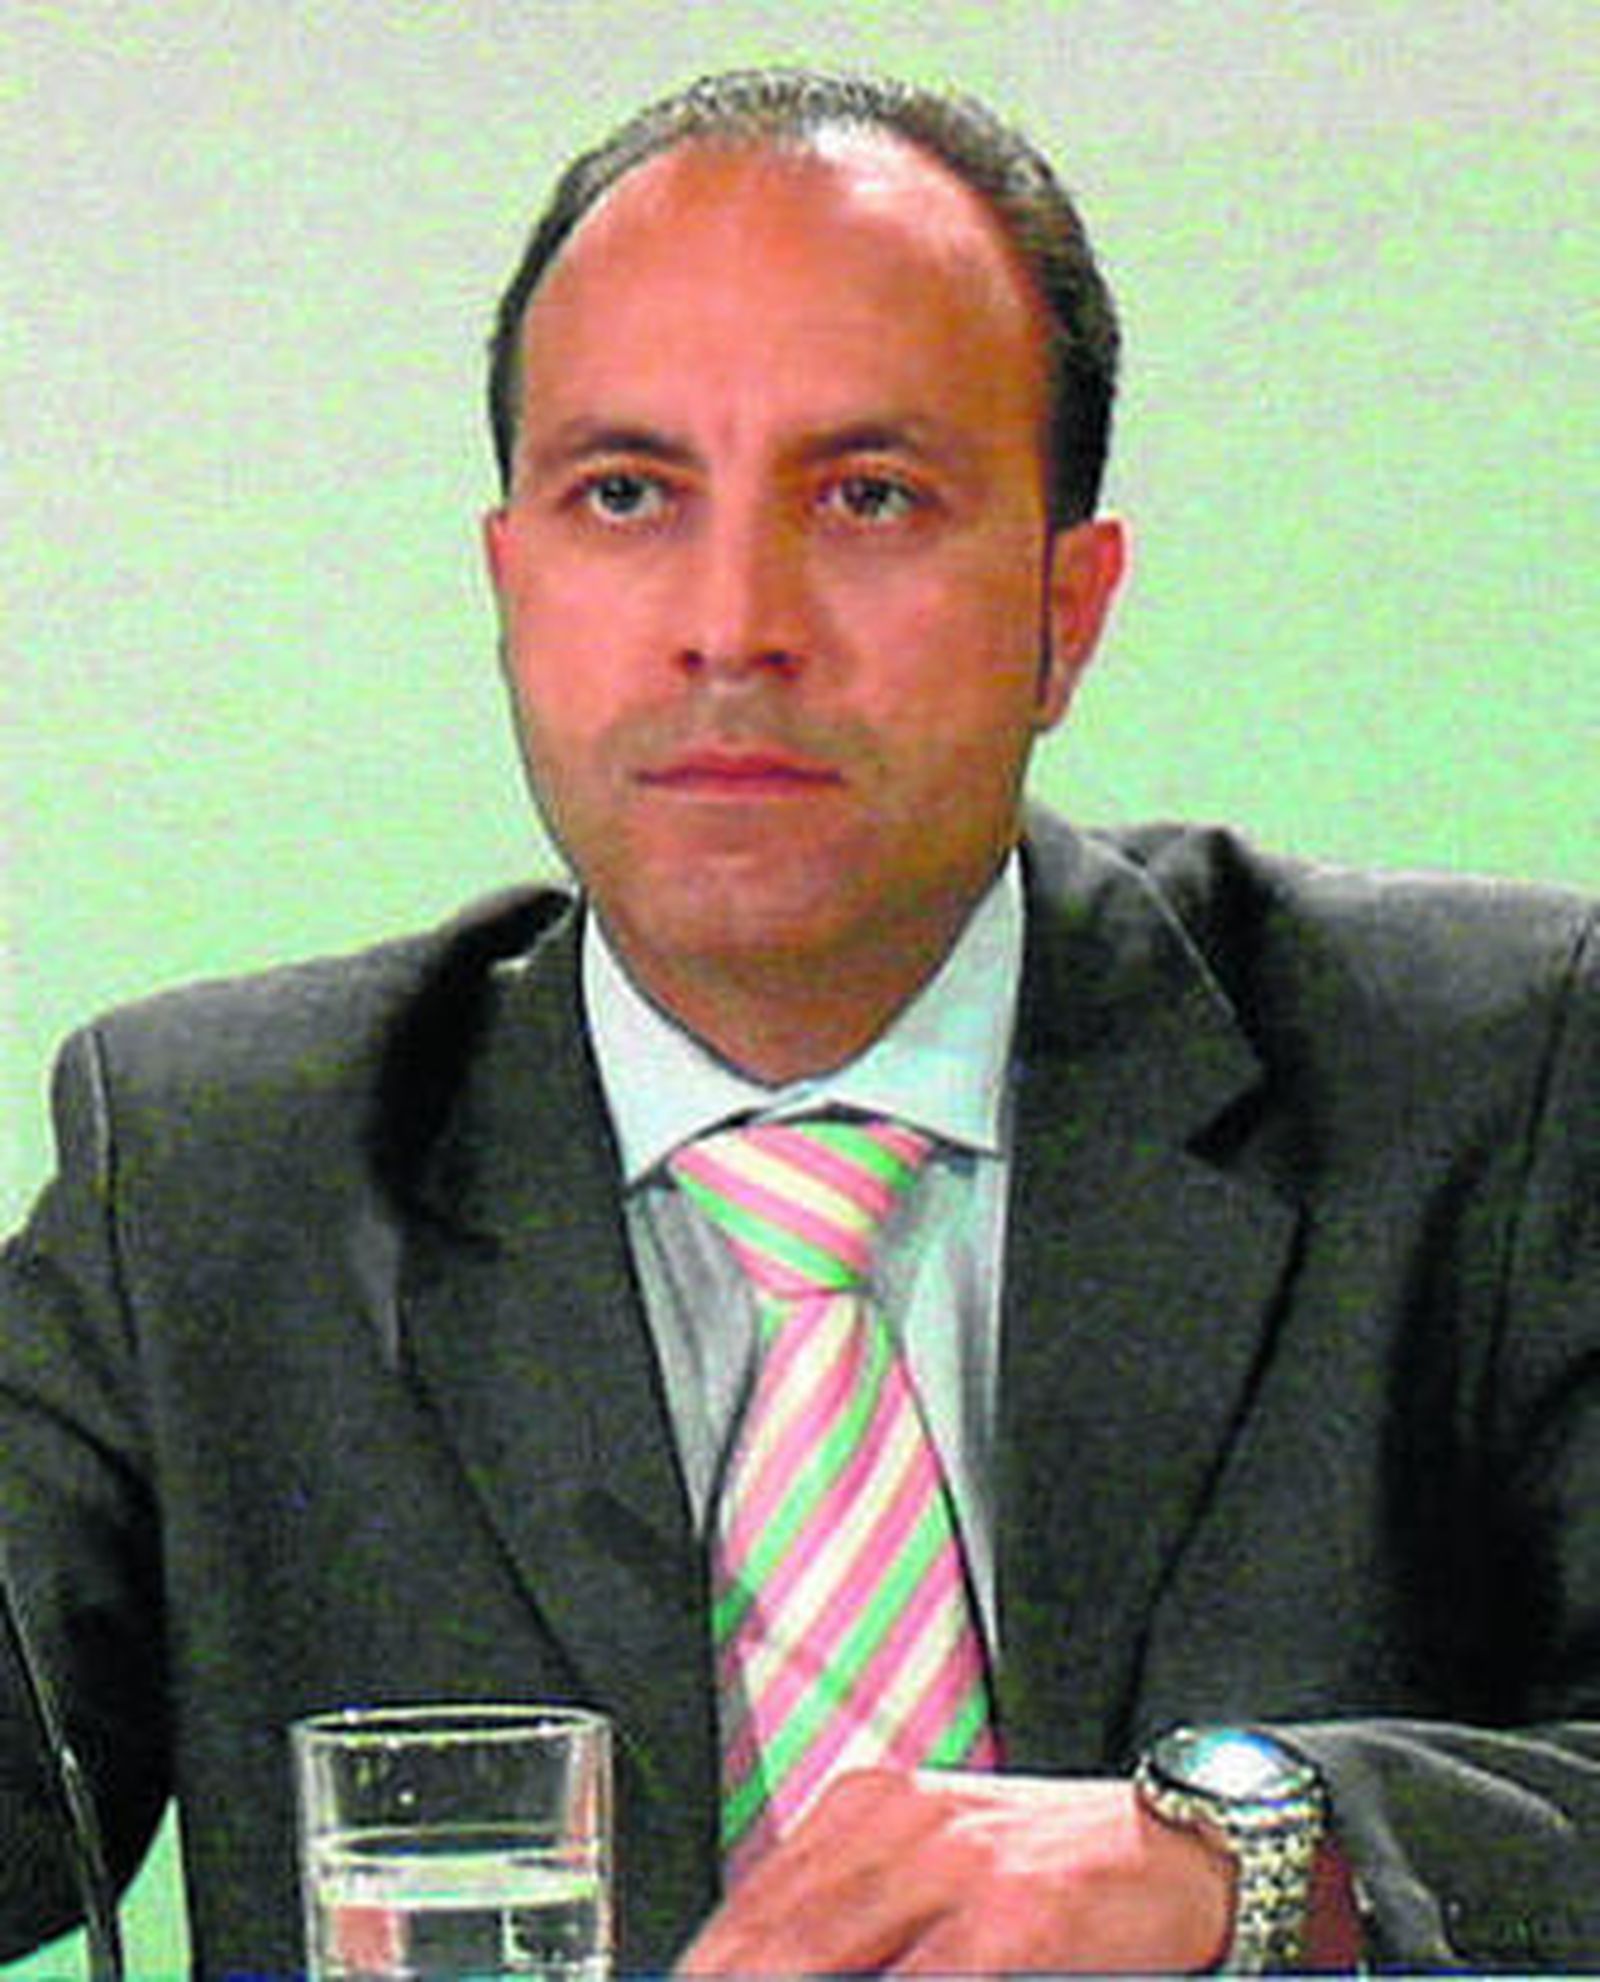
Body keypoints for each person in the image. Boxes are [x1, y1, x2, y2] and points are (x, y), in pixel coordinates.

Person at [1, 66, 1595, 1976]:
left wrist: (1261, 1859)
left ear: (1067, 609)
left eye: (868, 497)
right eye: (625, 495)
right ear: (513, 583)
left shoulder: (1492, 1084)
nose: (734, 621)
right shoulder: (213, 1175)